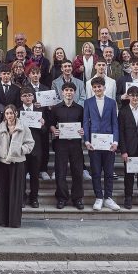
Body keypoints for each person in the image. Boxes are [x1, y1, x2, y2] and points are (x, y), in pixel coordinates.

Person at [82, 76, 120, 211]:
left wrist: (115, 141)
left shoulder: (111, 102)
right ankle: (98, 197)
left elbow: (115, 123)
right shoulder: (88, 102)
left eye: (99, 86)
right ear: (92, 89)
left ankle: (108, 198)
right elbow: (86, 122)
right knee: (96, 172)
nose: (97, 89)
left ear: (104, 87)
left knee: (109, 172)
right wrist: (86, 140)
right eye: (95, 87)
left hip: (109, 143)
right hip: (94, 143)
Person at [0, 104, 35, 228]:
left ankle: (14, 221)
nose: (9, 116)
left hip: (18, 163)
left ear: (15, 114)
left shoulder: (23, 127)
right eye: (7, 113)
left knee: (16, 192)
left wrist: (20, 150)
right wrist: (0, 152)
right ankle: (2, 220)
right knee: (3, 191)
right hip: (3, 163)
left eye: (11, 113)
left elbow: (30, 143)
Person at [48, 82, 85, 210]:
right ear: (62, 92)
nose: (69, 92)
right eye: (66, 90)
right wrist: (54, 130)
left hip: (75, 144)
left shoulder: (80, 108)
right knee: (60, 172)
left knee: (77, 172)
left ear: (74, 93)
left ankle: (77, 198)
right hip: (61, 144)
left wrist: (82, 130)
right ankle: (62, 198)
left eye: (71, 90)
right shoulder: (56, 108)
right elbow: (51, 124)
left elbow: (84, 125)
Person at [18, 88, 44, 208]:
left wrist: (43, 124)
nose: (27, 97)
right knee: (21, 175)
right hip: (22, 147)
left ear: (33, 97)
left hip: (36, 148)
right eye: (25, 95)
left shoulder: (40, 111)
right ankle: (22, 197)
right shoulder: (18, 112)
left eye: (29, 95)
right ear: (21, 98)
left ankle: (34, 198)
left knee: (35, 175)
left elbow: (44, 132)